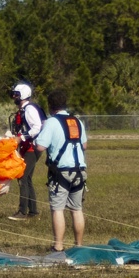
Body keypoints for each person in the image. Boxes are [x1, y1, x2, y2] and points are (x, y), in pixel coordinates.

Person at [34, 89, 88, 252]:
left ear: (50, 106)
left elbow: (40, 146)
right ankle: (79, 246)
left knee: (58, 209)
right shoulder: (77, 122)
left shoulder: (51, 122)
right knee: (76, 209)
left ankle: (58, 246)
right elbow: (84, 145)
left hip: (61, 172)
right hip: (80, 170)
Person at [8, 82, 46, 221]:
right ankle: (33, 211)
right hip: (28, 147)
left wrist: (21, 137)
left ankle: (22, 212)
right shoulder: (24, 109)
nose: (14, 97)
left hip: (31, 147)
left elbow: (36, 127)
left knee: (22, 177)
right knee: (27, 178)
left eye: (16, 94)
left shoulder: (29, 109)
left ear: (23, 95)